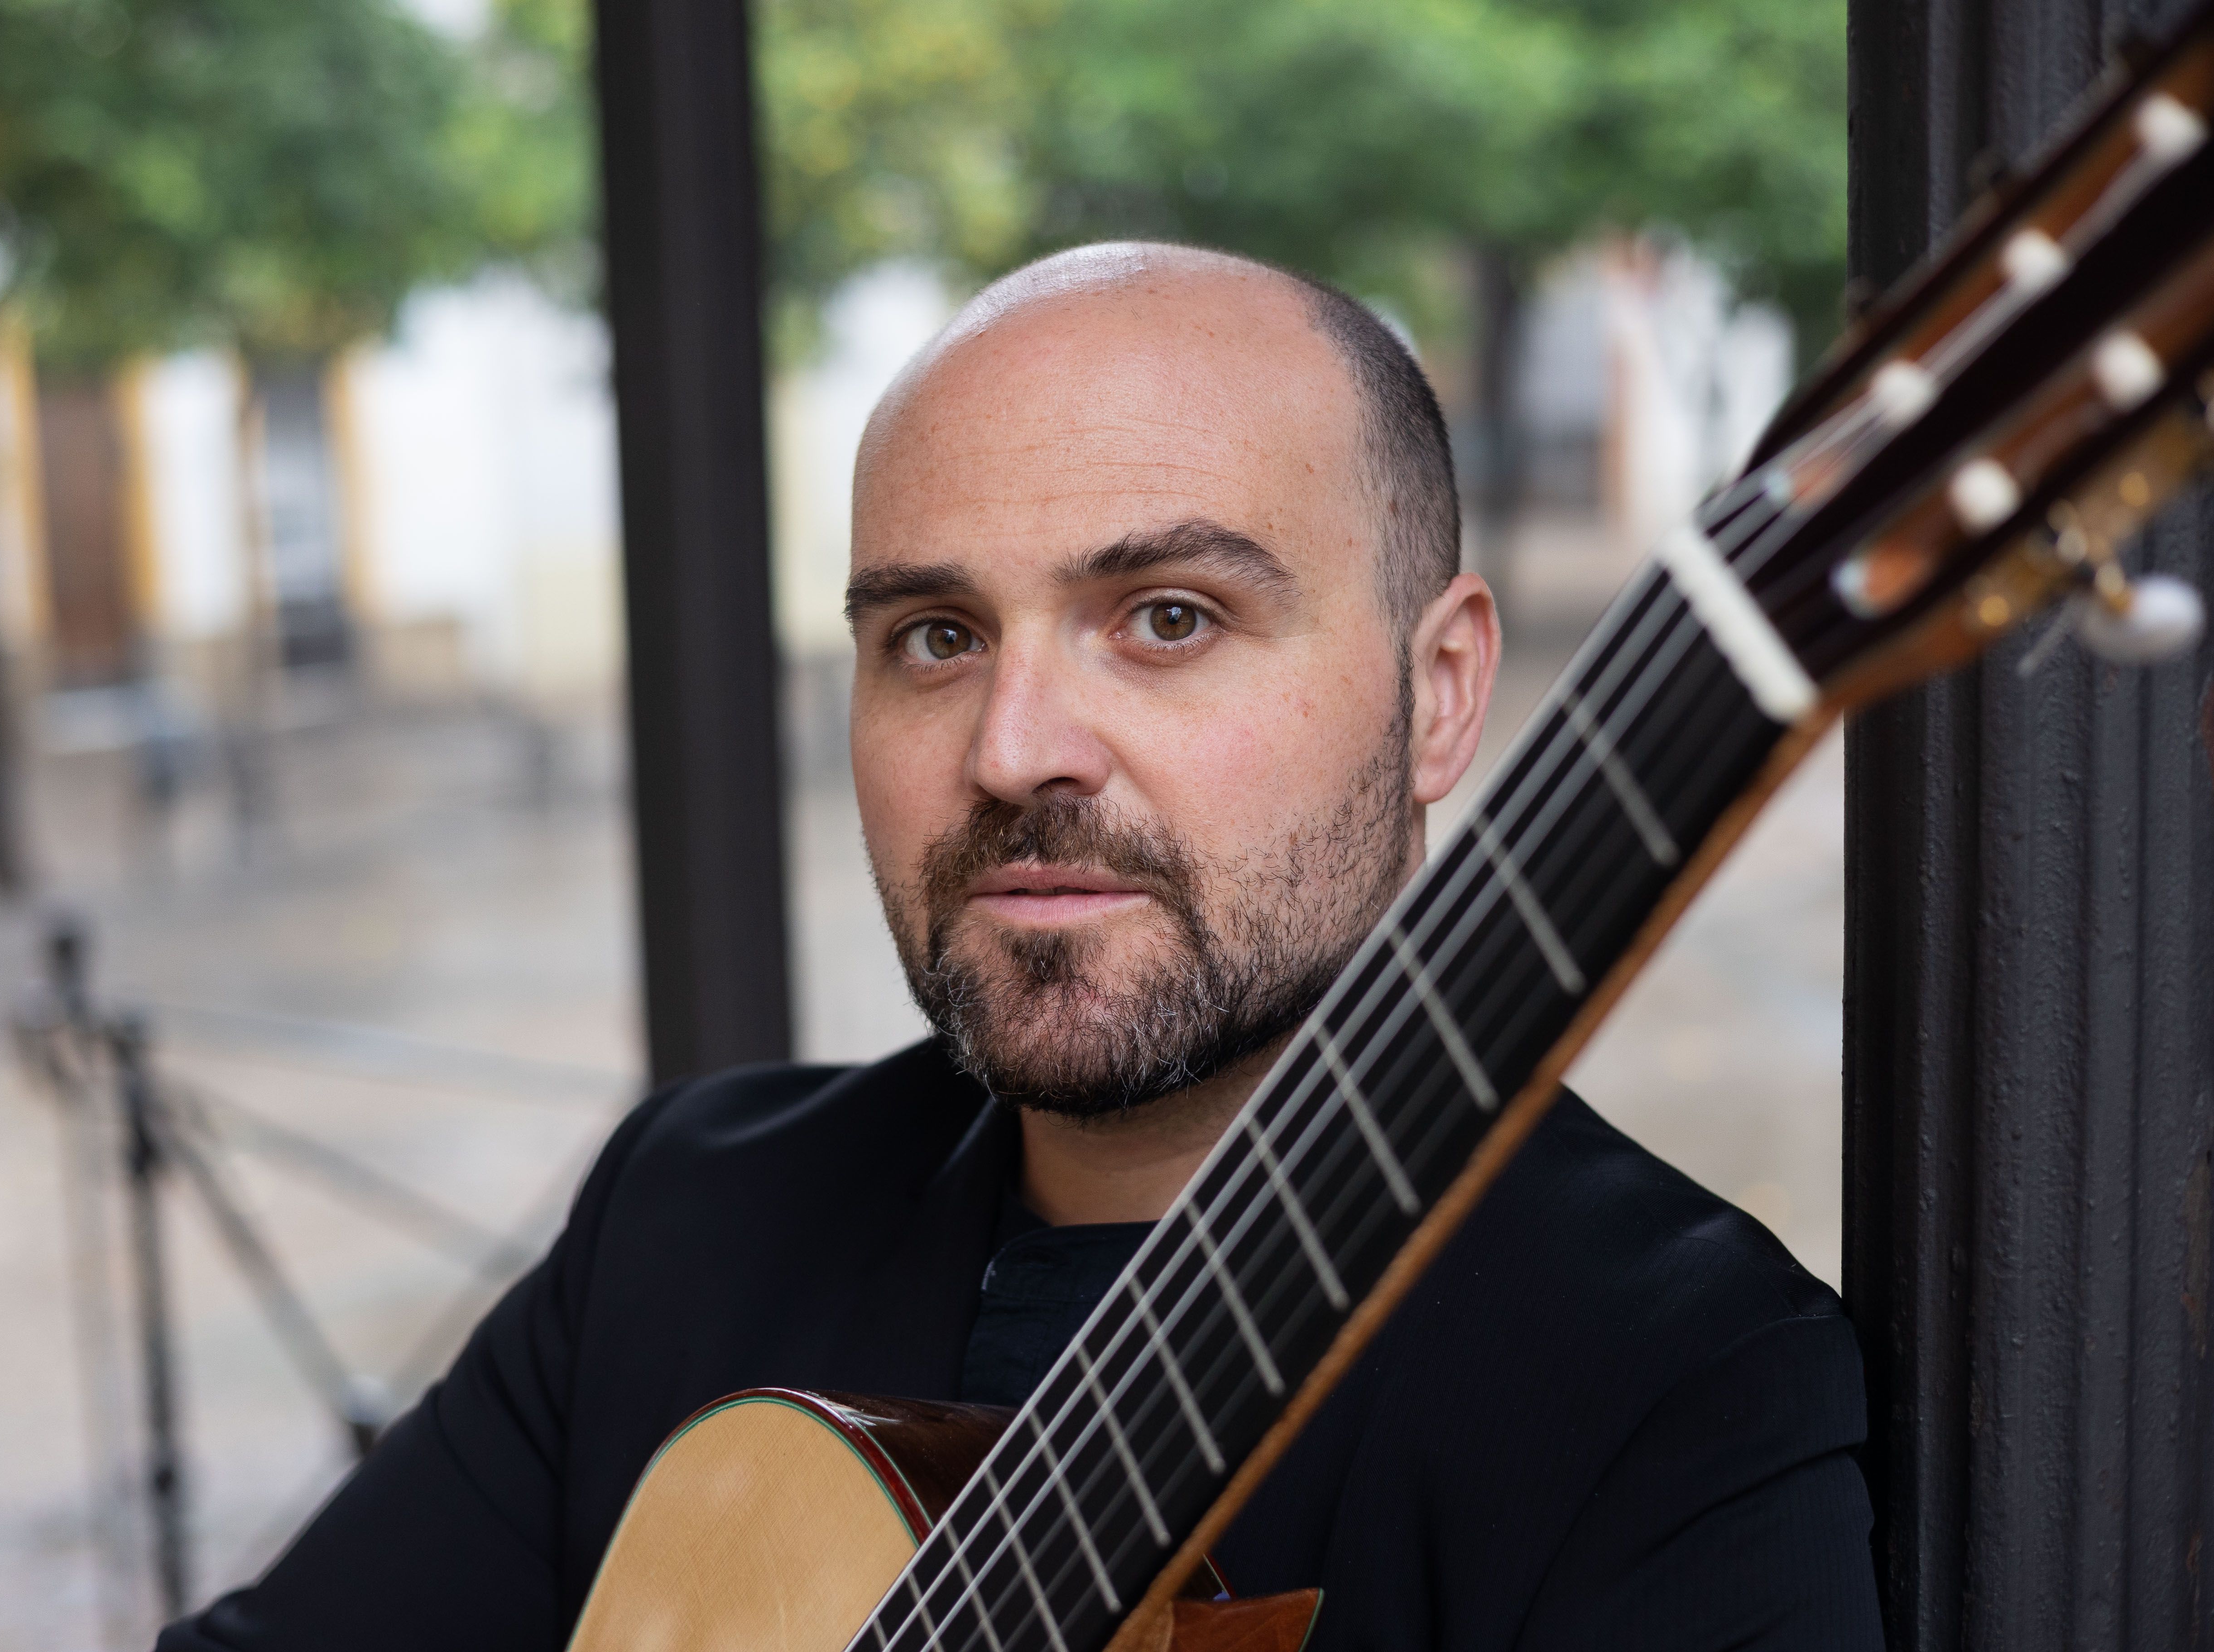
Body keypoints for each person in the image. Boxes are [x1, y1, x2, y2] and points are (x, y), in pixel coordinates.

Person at [159, 244, 1881, 1650]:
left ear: (1437, 694)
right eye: (934, 635)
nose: (1012, 748)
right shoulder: (687, 1222)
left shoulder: (1672, 1389)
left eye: (1169, 617)